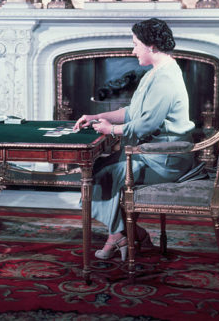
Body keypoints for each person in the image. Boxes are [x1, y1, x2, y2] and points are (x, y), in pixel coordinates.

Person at [73, 18, 195, 261]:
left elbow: (146, 124)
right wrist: (98, 116)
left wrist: (111, 131)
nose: (132, 50)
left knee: (103, 175)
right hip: (151, 153)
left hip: (165, 159)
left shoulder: (166, 78)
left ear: (151, 46)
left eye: (136, 44)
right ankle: (124, 233)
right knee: (100, 168)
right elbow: (132, 112)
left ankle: (120, 235)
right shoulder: (157, 72)